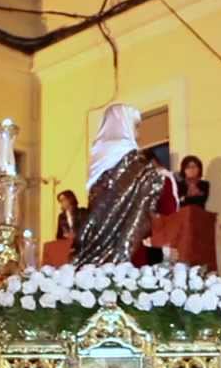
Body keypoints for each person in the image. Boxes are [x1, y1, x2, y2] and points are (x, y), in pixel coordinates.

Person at [71, 104, 178, 266]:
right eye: (135, 127)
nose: (138, 133)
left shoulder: (98, 159)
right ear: (124, 125)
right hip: (133, 251)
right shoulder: (138, 164)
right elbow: (166, 206)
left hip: (97, 247)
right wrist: (163, 176)